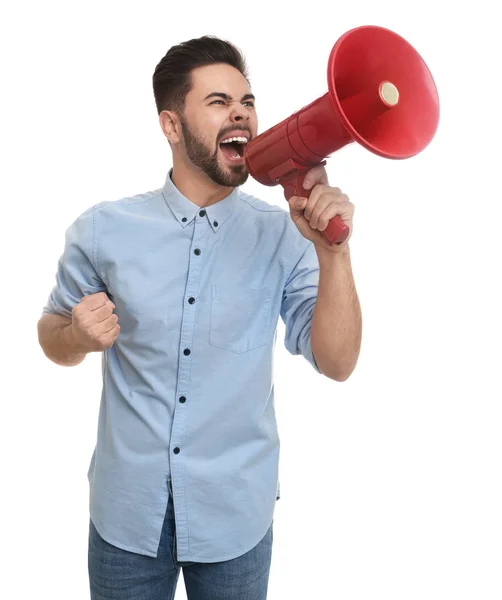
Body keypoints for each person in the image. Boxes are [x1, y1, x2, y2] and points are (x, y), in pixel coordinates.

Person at [37, 35, 362, 600]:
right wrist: (75, 333)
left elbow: (338, 362)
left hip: (235, 517)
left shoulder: (285, 235)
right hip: (125, 517)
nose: (241, 112)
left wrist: (334, 253)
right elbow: (51, 338)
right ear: (170, 125)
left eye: (247, 101)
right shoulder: (102, 230)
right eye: (217, 102)